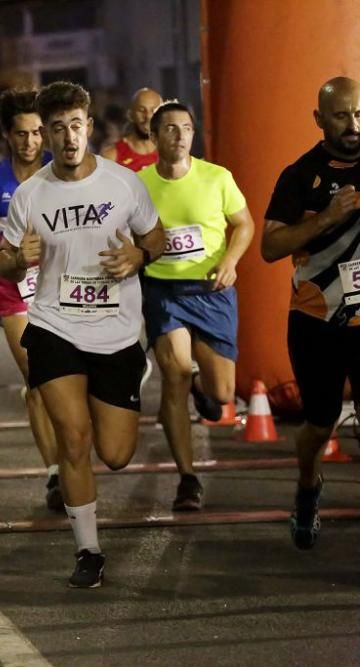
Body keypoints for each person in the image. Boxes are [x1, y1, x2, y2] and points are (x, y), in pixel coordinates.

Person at [0, 81, 165, 588]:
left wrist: (139, 256)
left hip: (115, 332)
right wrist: (14, 261)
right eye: (57, 129)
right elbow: (3, 267)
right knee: (73, 438)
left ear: (89, 126)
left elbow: (154, 237)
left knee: (114, 454)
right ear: (45, 135)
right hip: (54, 326)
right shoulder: (29, 195)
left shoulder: (123, 185)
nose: (69, 138)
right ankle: (88, 550)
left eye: (76, 125)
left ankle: (124, 380)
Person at [138, 101, 255, 511]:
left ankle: (205, 392)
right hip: (164, 292)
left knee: (222, 394)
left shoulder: (216, 178)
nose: (180, 135)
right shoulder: (139, 184)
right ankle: (187, 478)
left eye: (186, 128)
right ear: (153, 137)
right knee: (175, 374)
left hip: (211, 291)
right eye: (170, 128)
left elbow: (244, 224)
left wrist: (230, 260)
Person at [261, 76, 360, 550]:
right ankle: (307, 487)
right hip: (317, 322)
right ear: (320, 120)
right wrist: (326, 218)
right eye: (342, 115)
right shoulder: (300, 176)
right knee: (319, 424)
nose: (354, 124)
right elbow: (269, 246)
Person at [0, 88, 60, 511]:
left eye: (38, 133)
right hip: (15, 287)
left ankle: (71, 450)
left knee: (70, 382)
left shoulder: (60, 170)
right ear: (8, 135)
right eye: (22, 134)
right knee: (38, 380)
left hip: (62, 286)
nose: (30, 142)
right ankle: (55, 473)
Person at [100, 88, 162, 172]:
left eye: (154, 110)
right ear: (130, 115)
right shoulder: (111, 156)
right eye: (141, 110)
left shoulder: (172, 154)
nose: (148, 117)